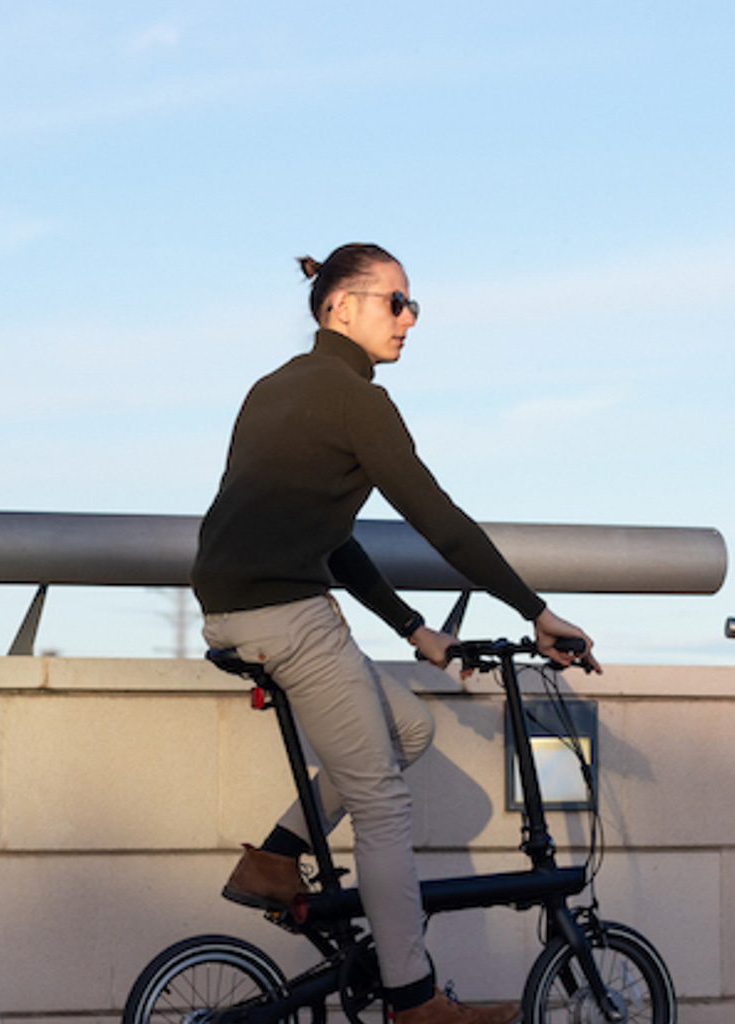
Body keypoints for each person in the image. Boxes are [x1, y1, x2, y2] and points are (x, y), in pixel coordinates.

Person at [191, 243, 594, 1024]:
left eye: (413, 306)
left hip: (244, 606)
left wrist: (414, 629)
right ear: (341, 306)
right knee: (382, 803)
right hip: (287, 615)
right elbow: (438, 518)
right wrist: (533, 609)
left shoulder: (269, 390)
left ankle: (275, 858)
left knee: (406, 730)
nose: (410, 320)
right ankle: (413, 1001)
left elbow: (330, 538)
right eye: (395, 303)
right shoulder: (356, 399)